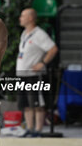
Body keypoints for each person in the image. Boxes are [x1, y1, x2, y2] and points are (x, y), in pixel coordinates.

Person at [16, 8, 58, 137]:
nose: (20, 18)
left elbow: (53, 49)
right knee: (26, 104)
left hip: (34, 75)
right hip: (22, 74)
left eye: (23, 16)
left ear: (30, 18)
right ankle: (29, 128)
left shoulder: (39, 34)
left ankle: (38, 130)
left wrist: (42, 63)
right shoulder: (24, 33)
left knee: (37, 103)